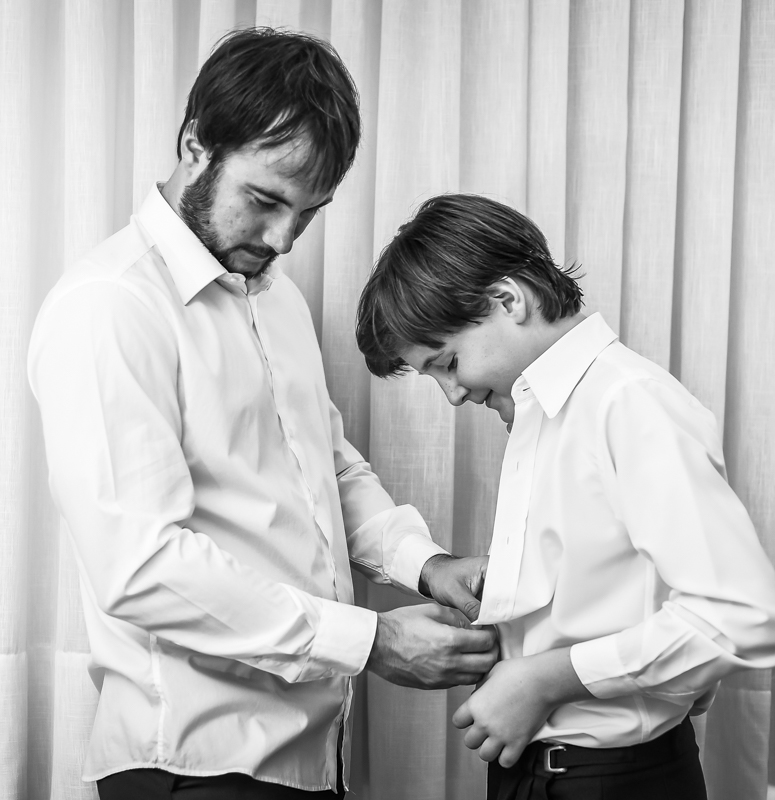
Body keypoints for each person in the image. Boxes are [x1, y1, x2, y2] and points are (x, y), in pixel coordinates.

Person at [27, 29, 496, 800]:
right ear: (195, 145)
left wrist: (425, 564)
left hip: (308, 761)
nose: (283, 238)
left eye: (308, 214)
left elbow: (328, 471)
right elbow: (140, 567)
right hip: (190, 766)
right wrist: (371, 642)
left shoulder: (277, 299)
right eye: (267, 200)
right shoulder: (110, 307)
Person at [355, 194, 775, 800]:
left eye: (449, 363)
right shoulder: (539, 414)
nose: (453, 396)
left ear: (507, 300)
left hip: (612, 781)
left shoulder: (627, 403)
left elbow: (744, 618)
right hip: (536, 774)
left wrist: (545, 680)